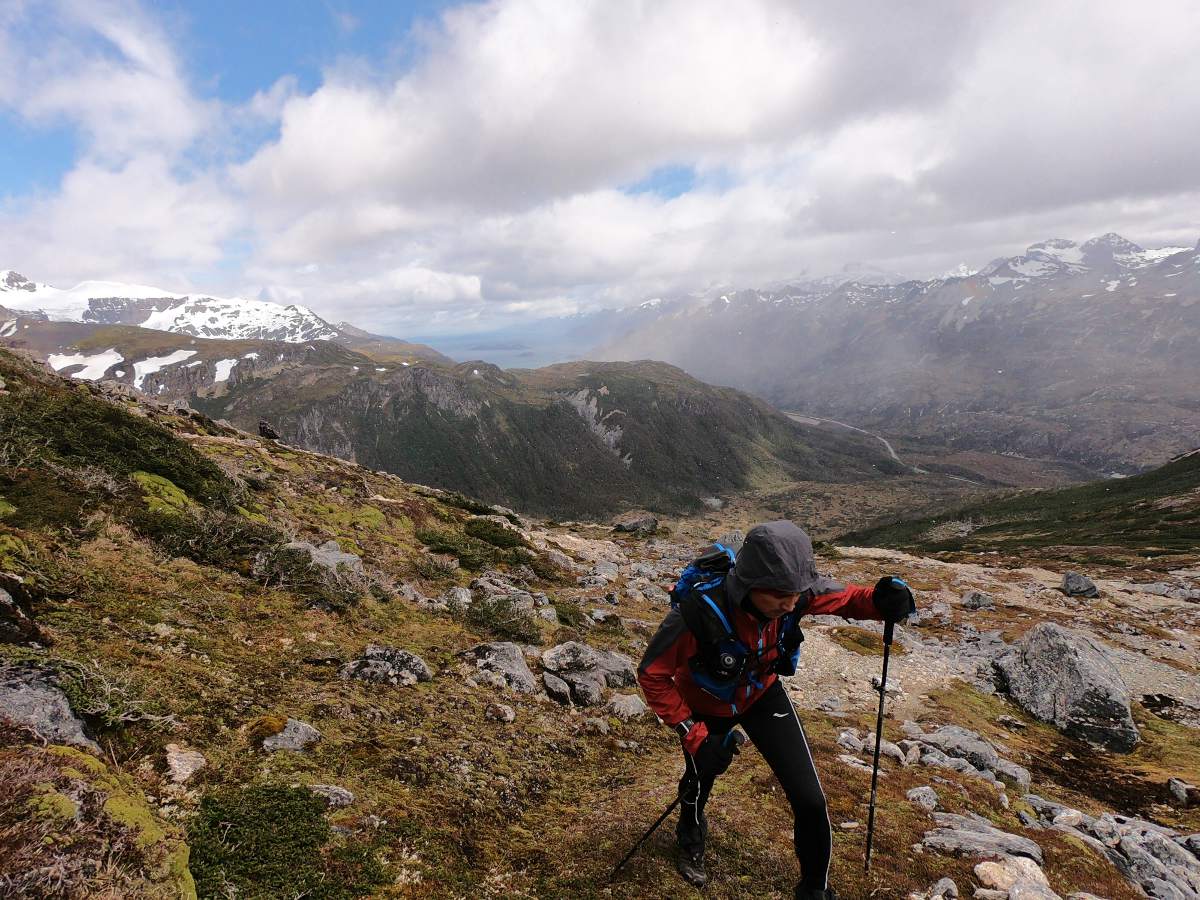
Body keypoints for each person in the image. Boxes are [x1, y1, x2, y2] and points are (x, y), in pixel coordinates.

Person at [637, 520, 915, 899]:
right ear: (749, 585)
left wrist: (882, 601)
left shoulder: (794, 593)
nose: (791, 604)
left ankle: (815, 889)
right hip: (705, 703)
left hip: (762, 695)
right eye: (780, 595)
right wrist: (695, 735)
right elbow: (653, 674)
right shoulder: (695, 613)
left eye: (796, 594)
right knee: (700, 779)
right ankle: (690, 837)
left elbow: (848, 597)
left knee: (810, 798)